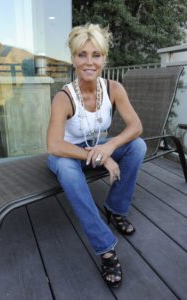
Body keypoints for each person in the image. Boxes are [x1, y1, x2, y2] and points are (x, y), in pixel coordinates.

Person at [47, 23, 147, 288]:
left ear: (104, 58)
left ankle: (115, 209)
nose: (89, 62)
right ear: (73, 58)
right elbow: (54, 145)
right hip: (68, 154)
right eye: (82, 54)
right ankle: (106, 249)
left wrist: (109, 147)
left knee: (138, 146)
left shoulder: (113, 88)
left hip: (96, 147)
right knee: (68, 170)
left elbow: (136, 126)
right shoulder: (64, 97)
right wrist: (101, 155)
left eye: (96, 55)